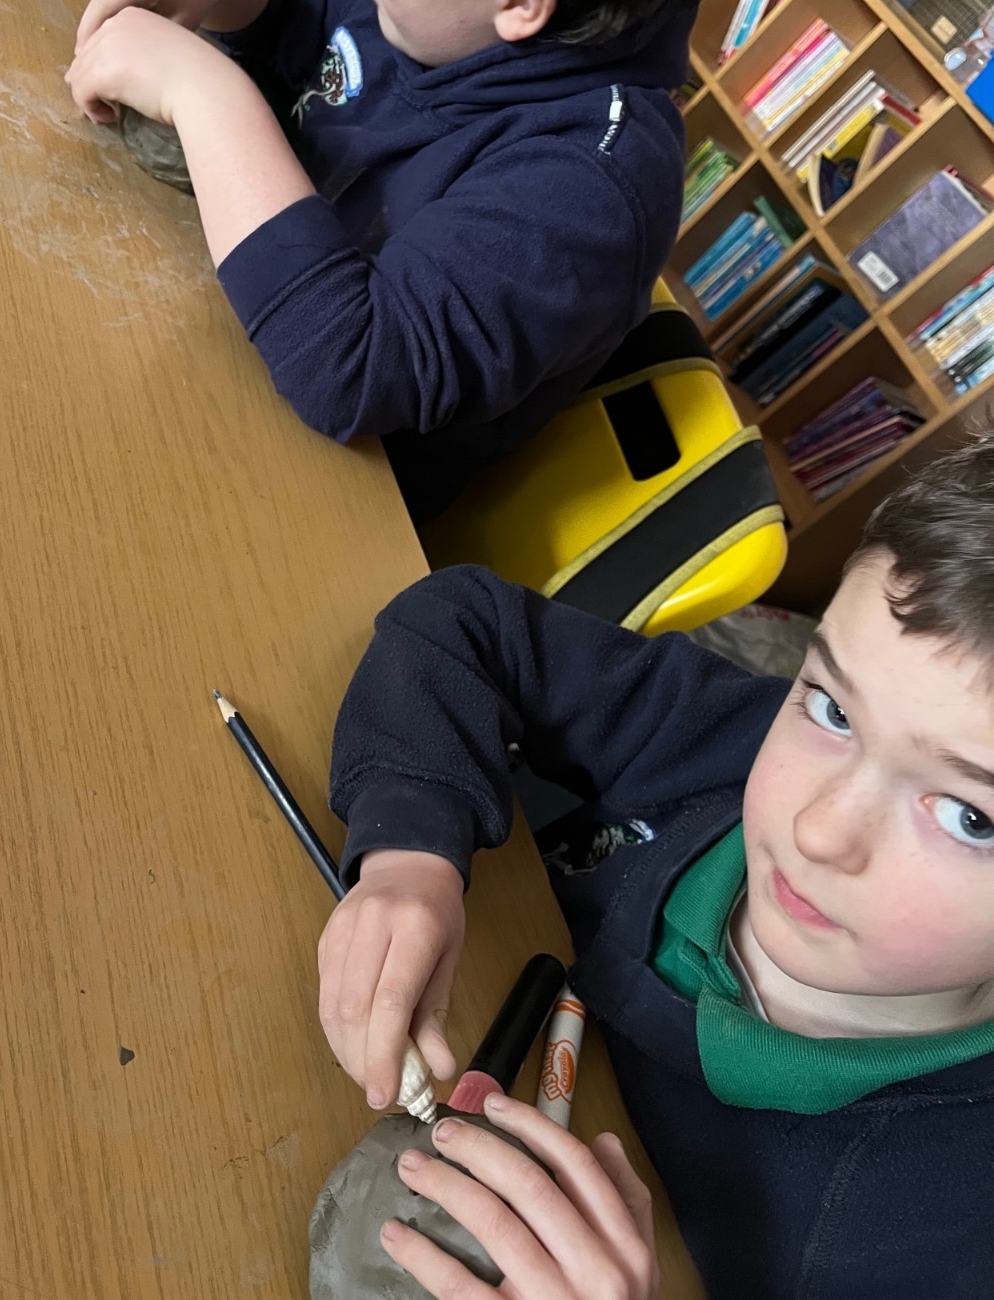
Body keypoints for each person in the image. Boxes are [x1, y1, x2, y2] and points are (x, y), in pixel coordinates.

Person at [317, 434, 994, 1299]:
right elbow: (465, 624)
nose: (820, 830)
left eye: (971, 817)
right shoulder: (733, 742)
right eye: (831, 708)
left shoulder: (944, 1240)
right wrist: (410, 850)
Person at [66, 0, 757, 523]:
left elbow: (352, 366)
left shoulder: (587, 191)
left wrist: (205, 93)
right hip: (226, 331)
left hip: (314, 496)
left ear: (519, 2)